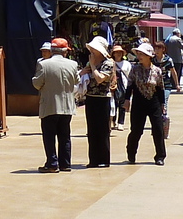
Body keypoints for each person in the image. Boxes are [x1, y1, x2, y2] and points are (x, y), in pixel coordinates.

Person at [33, 36, 79, 173]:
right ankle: (65, 163)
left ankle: (52, 163)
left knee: (49, 136)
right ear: (65, 51)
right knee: (65, 136)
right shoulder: (73, 64)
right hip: (67, 107)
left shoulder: (44, 64)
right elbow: (76, 81)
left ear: (52, 50)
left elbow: (37, 83)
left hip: (49, 106)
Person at [125, 41, 167, 166]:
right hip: (138, 102)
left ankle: (160, 156)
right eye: (138, 54)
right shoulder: (134, 69)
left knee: (158, 129)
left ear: (149, 56)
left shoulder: (157, 71)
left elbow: (160, 88)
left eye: (142, 54)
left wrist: (162, 104)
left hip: (153, 102)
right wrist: (127, 100)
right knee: (136, 130)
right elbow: (130, 86)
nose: (140, 56)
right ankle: (131, 152)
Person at [82, 36, 117, 169]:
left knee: (102, 130)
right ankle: (93, 159)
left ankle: (103, 159)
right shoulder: (90, 62)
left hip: (102, 99)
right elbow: (82, 75)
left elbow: (100, 79)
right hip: (90, 98)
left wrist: (92, 66)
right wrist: (84, 71)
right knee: (92, 130)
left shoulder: (108, 63)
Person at [110, 42, 130, 129]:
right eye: (116, 52)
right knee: (113, 104)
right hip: (113, 86)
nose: (118, 54)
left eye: (119, 52)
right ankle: (113, 121)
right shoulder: (110, 63)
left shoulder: (126, 64)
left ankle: (121, 123)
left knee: (122, 104)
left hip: (124, 86)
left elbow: (130, 75)